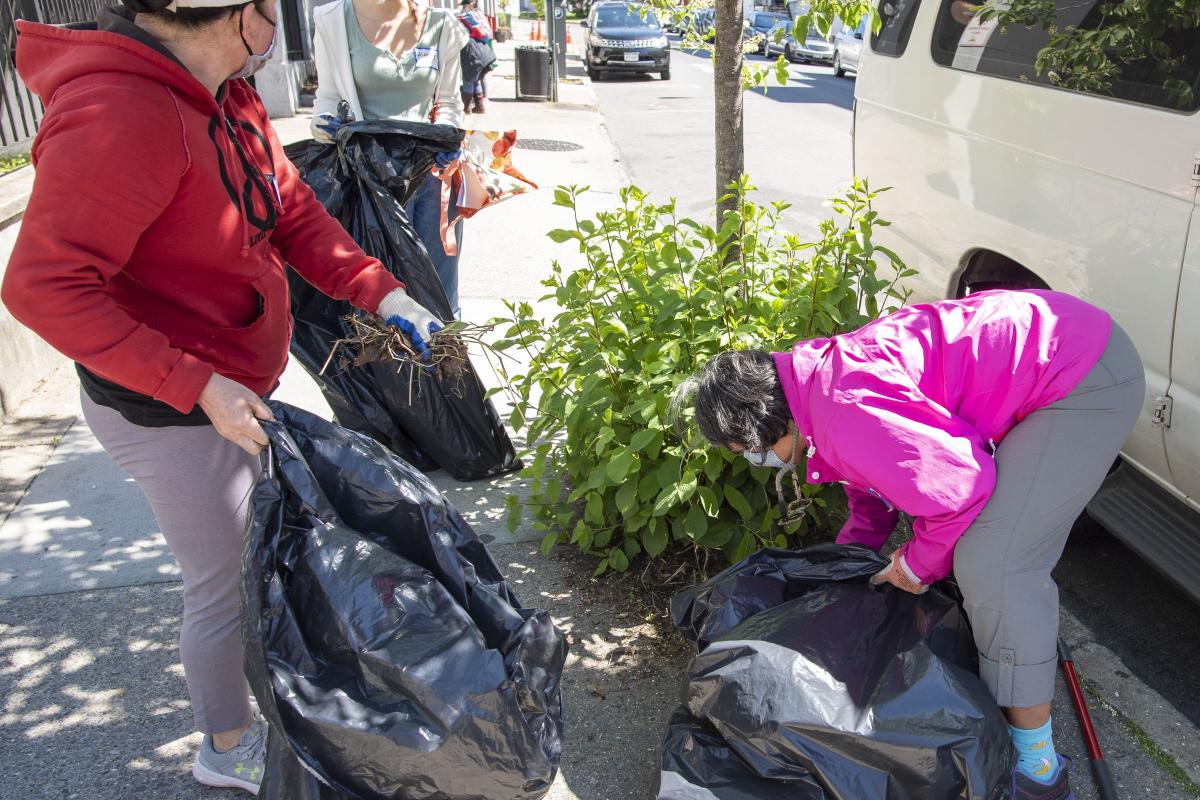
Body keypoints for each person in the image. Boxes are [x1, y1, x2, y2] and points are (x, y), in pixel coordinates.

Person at [1, 0, 443, 793]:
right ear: (241, 16)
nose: (281, 24)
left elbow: (292, 213)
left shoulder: (224, 90)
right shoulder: (121, 113)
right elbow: (42, 287)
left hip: (229, 381)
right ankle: (226, 745)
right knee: (223, 585)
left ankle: (259, 705)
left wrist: (383, 293)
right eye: (275, 8)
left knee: (254, 562)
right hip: (168, 408)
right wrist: (196, 384)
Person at [673, 289, 1144, 800]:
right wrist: (852, 565)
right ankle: (1006, 670)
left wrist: (917, 566)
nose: (759, 459)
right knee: (974, 557)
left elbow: (965, 486)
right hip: (1052, 347)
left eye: (754, 449)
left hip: (1082, 375)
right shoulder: (813, 387)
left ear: (769, 419)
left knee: (995, 565)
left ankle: (1037, 766)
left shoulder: (842, 406)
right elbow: (872, 481)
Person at [311, 0, 470, 318]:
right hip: (366, 182)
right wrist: (324, 125)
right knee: (377, 296)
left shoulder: (442, 26)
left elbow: (450, 101)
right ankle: (384, 367)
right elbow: (327, 98)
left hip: (429, 176)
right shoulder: (331, 20)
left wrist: (448, 133)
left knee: (438, 293)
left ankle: (444, 365)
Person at [457, 0, 494, 114]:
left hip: (473, 53)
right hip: (485, 52)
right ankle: (479, 106)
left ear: (470, 4)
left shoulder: (467, 17)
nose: (463, 8)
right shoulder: (480, 16)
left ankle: (467, 108)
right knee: (475, 80)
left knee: (468, 78)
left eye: (465, 5)